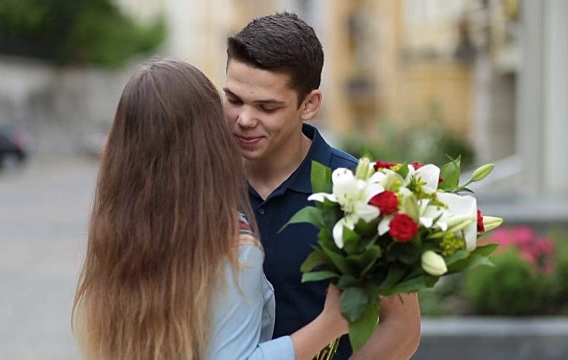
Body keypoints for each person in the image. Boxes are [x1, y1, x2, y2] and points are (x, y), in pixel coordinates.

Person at [72, 57, 348, 360]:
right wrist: (330, 325)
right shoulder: (229, 243)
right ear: (207, 138)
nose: (242, 120)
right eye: (230, 101)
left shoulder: (117, 229)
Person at [223, 12, 422, 360]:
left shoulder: (364, 191)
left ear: (310, 104)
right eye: (234, 100)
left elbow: (402, 328)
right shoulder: (203, 182)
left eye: (267, 107)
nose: (244, 119)